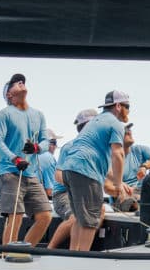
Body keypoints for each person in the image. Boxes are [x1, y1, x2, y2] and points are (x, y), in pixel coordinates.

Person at [58, 90, 132, 251]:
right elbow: (118, 154)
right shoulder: (116, 124)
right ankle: (83, 261)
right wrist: (118, 186)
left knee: (79, 218)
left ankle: (73, 257)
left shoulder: (96, 121)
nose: (129, 111)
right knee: (92, 219)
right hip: (85, 171)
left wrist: (119, 181)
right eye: (128, 107)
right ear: (118, 106)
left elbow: (101, 162)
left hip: (70, 169)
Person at [0, 73, 52, 246]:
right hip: (10, 172)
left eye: (22, 81)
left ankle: (22, 251)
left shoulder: (39, 115)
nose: (20, 82)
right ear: (9, 95)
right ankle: (6, 255)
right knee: (15, 216)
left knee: (45, 216)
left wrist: (37, 148)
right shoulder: (4, 114)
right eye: (14, 83)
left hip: (31, 175)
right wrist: (15, 159)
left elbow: (46, 141)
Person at [47, 108, 97, 250]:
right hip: (64, 194)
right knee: (76, 216)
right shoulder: (69, 147)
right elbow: (59, 175)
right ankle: (50, 250)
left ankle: (82, 252)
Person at [37, 129, 63, 198]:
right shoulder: (48, 157)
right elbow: (50, 191)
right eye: (54, 143)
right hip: (38, 198)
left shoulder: (34, 155)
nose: (55, 146)